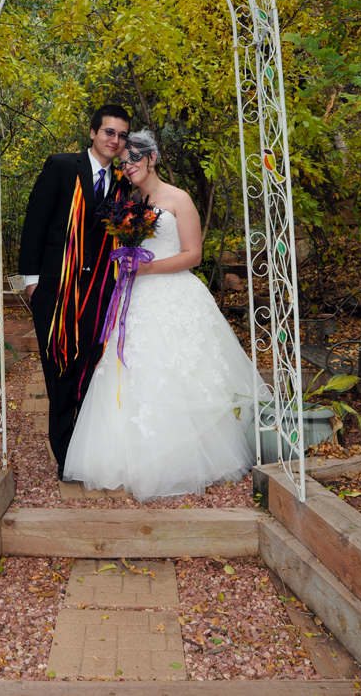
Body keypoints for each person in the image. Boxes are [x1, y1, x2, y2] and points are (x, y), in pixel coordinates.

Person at [64, 129, 262, 502]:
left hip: (174, 294)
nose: (128, 166)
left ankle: (190, 458)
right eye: (123, 162)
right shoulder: (129, 202)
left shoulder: (178, 198)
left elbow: (194, 255)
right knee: (131, 368)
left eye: (134, 159)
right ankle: (127, 456)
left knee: (181, 367)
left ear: (152, 158)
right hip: (135, 299)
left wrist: (146, 269)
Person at [19, 105, 131, 481]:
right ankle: (66, 456)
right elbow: (35, 223)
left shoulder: (122, 183)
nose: (114, 140)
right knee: (60, 369)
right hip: (54, 290)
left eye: (120, 135)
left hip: (98, 293)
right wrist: (32, 283)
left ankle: (84, 450)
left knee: (87, 367)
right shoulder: (62, 167)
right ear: (93, 133)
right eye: (108, 132)